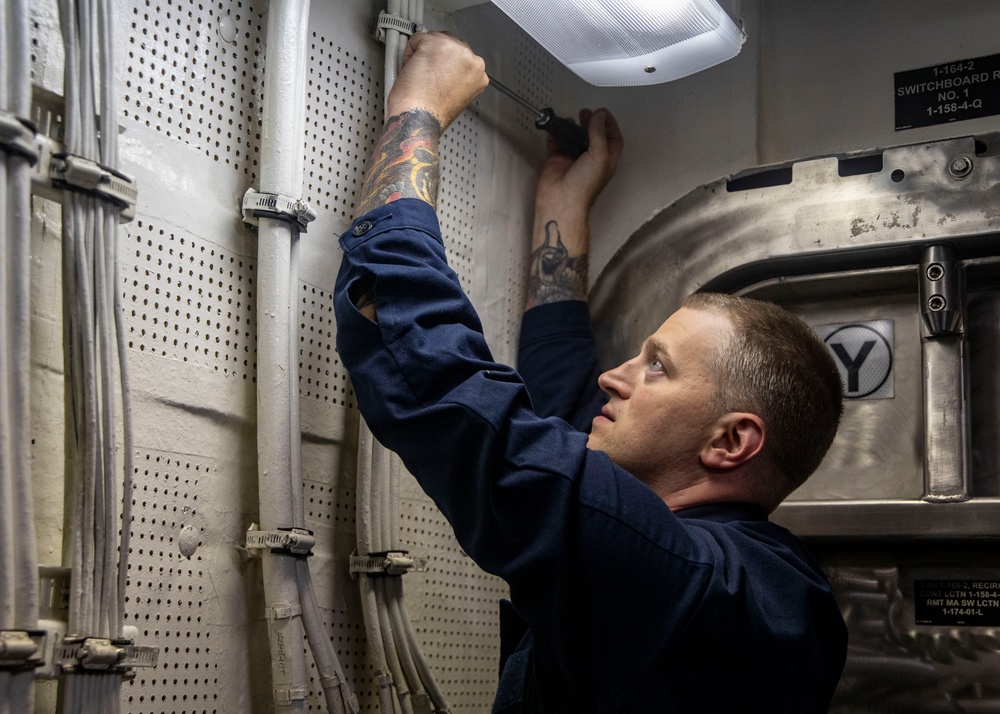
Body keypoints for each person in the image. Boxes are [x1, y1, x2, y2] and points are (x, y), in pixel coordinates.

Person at [334, 31, 848, 713]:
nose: (614, 378)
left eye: (656, 369)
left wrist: (416, 111)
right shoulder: (754, 582)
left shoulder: (683, 581)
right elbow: (564, 409)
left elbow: (447, 389)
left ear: (729, 442)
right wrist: (562, 209)